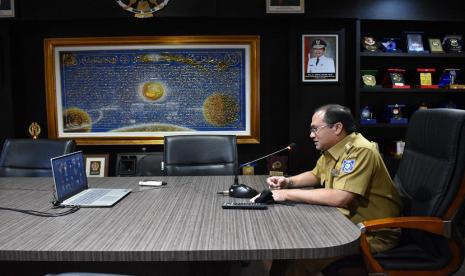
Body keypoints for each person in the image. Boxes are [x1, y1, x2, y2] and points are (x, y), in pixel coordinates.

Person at [252, 104, 402, 275]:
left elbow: (340, 197)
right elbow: (316, 174)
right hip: (344, 222)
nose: (311, 135)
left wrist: (284, 194)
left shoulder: (360, 150)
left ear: (337, 128)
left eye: (315, 129)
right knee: (288, 247)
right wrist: (287, 182)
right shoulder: (335, 149)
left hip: (371, 232)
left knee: (302, 256)